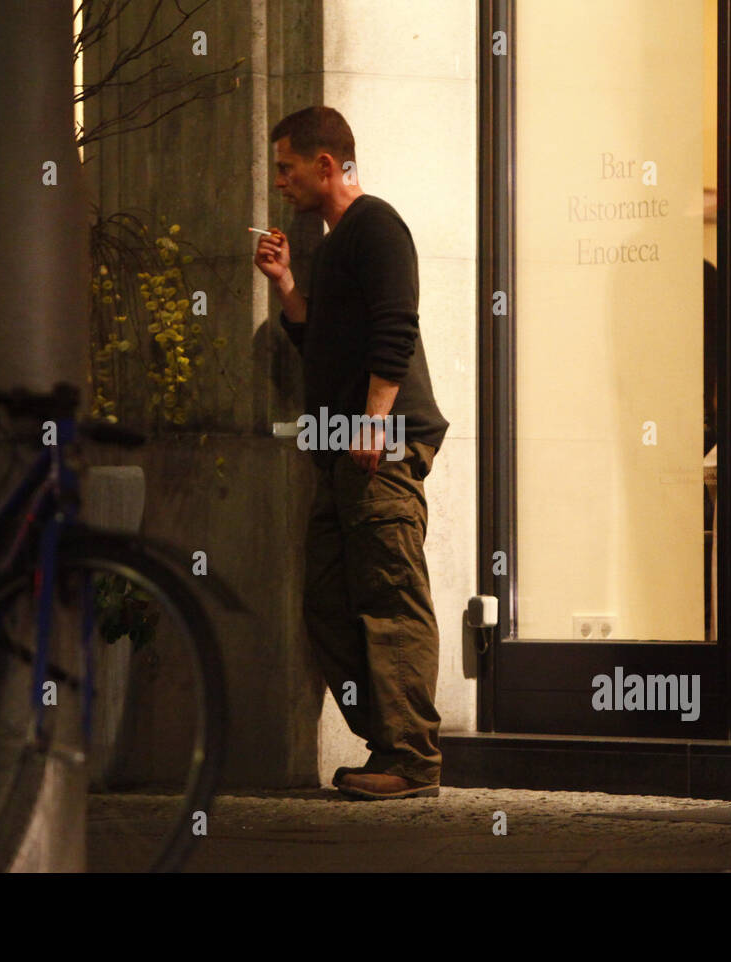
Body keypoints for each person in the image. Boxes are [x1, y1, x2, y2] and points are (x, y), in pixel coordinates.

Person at [253, 106, 449, 800]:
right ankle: (386, 744)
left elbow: (397, 326)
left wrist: (373, 422)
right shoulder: (336, 244)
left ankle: (412, 757)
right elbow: (326, 347)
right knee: (331, 603)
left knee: (390, 596)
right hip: (341, 450)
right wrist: (284, 285)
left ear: (326, 165)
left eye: (287, 167)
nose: (282, 182)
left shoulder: (377, 226)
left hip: (381, 446)